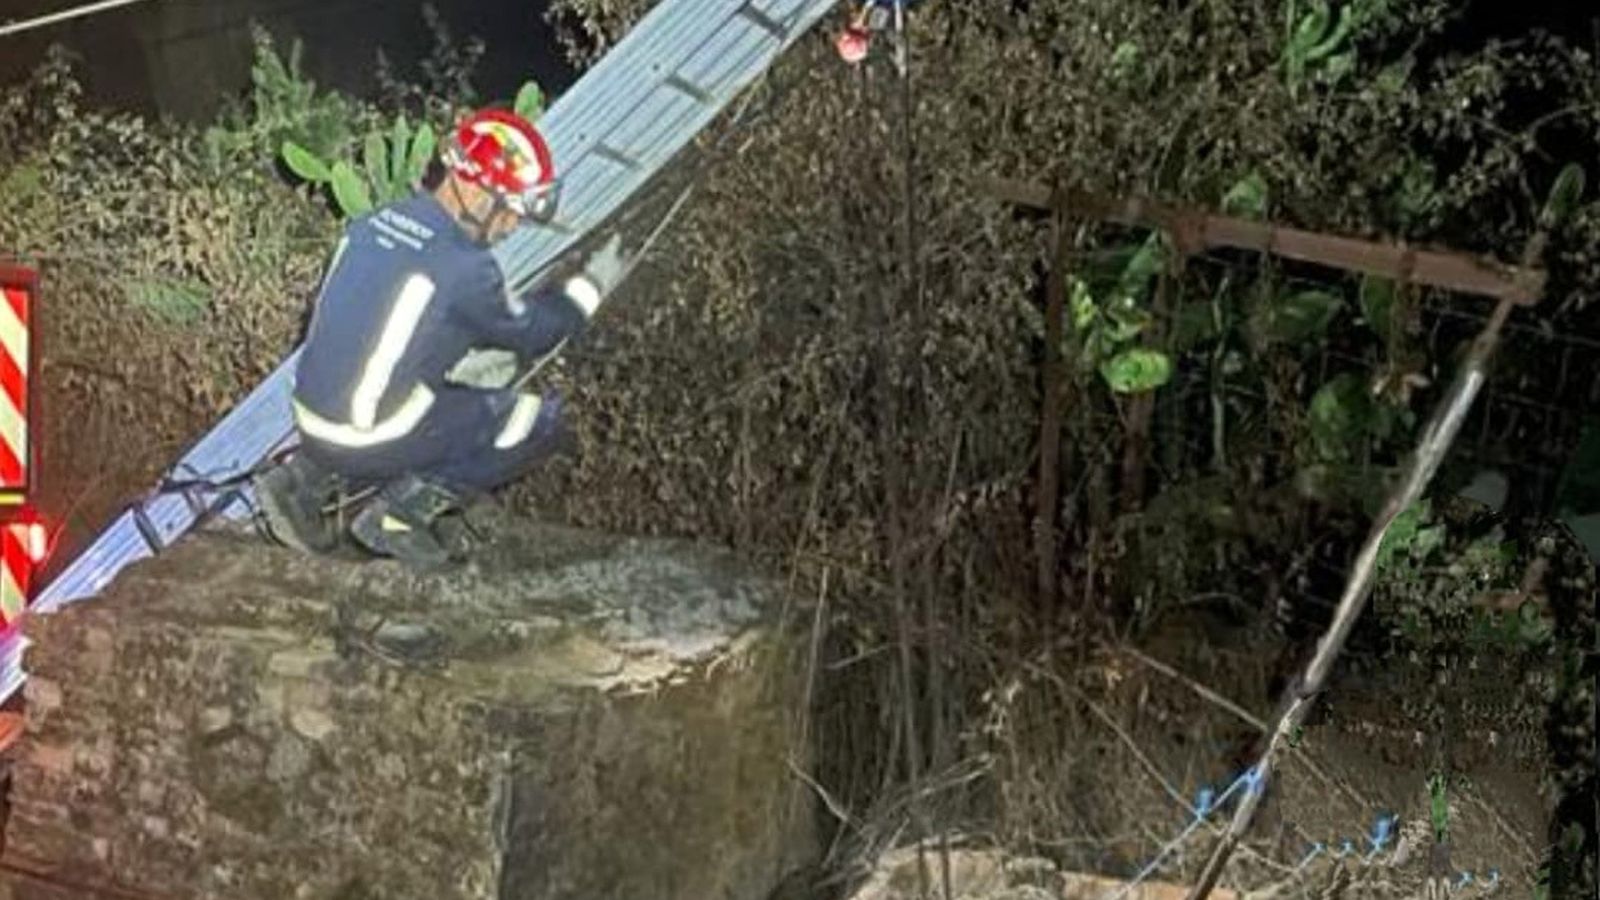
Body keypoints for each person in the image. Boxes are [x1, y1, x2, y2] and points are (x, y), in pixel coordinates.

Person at [254, 108, 630, 569]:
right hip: (362, 435)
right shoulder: (466, 265)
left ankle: (304, 484)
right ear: (471, 188)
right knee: (538, 419)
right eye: (508, 209)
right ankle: (398, 518)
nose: (511, 227)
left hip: (310, 417)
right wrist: (585, 290)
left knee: (423, 384)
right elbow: (530, 331)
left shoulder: (377, 220)